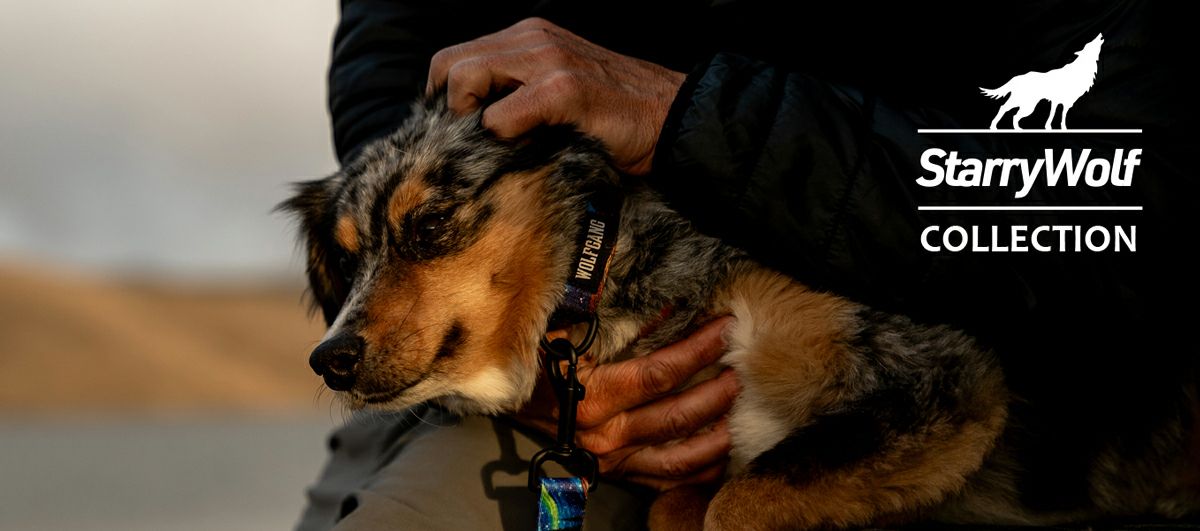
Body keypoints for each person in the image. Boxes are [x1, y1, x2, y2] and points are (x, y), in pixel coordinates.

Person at [298, 2, 1194, 529]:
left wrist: (699, 120)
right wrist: (521, 360)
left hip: (987, 320)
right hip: (529, 351)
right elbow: (392, 77)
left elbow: (1124, 201)